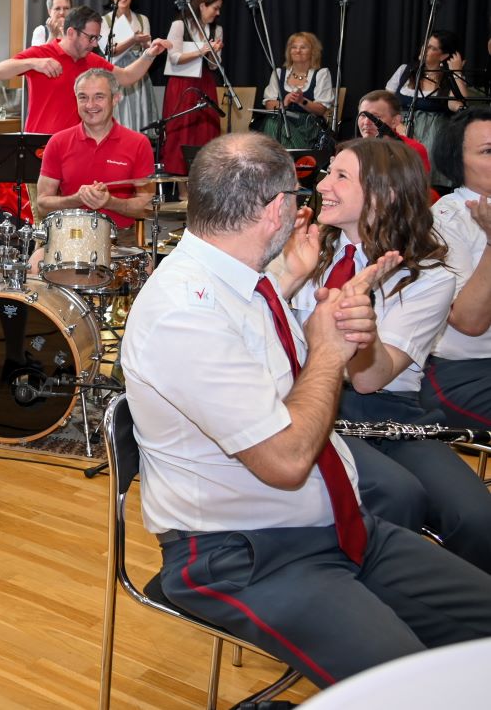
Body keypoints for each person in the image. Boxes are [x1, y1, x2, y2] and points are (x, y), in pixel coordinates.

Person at [122, 132, 491, 687]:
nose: (313, 200)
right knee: (416, 689)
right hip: (247, 552)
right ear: (276, 210)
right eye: (299, 195)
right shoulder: (186, 311)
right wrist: (327, 351)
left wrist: (294, 282)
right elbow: (287, 461)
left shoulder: (243, 283)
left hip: (335, 528)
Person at [292, 138, 491, 572]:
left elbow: (370, 380)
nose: (322, 185)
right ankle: (372, 595)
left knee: (478, 519)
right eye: (329, 172)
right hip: (310, 403)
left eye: (341, 176)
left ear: (385, 194)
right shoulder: (304, 249)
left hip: (390, 412)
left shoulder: (429, 276)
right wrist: (290, 278)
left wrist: (361, 328)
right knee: (399, 496)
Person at [0, 4, 170, 136]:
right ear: (71, 33)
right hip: (42, 144)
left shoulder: (92, 60)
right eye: (90, 38)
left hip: (78, 146)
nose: (94, 44)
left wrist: (150, 54)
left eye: (97, 38)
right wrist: (32, 63)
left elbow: (126, 76)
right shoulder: (41, 54)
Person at [422, 109, 491, 430]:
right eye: (488, 151)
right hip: (460, 370)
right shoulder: (443, 220)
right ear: (457, 162)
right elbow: (468, 322)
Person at [33, 68, 155, 246]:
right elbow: (43, 205)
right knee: (34, 262)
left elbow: (147, 207)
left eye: (99, 97)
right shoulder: (58, 142)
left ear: (115, 99)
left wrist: (110, 202)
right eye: (83, 97)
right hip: (68, 238)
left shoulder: (138, 143)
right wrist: (76, 199)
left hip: (120, 240)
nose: (90, 105)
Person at [386, 29, 467, 187]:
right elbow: (386, 101)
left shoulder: (449, 78)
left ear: (443, 56)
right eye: (425, 45)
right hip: (400, 126)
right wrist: (398, 125)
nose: (424, 49)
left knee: (427, 154)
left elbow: (459, 106)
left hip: (433, 133)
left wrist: (456, 73)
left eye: (431, 48)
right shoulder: (406, 70)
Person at [159, 0, 225, 176]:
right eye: (215, 8)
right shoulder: (180, 24)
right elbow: (174, 57)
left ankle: (205, 179)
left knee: (205, 131)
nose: (218, 13)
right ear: (203, 6)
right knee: (181, 132)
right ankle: (181, 183)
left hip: (205, 83)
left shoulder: (217, 30)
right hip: (181, 85)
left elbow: (213, 66)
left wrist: (213, 53)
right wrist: (202, 50)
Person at [260, 31, 335, 149]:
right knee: (273, 122)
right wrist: (284, 103)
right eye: (294, 47)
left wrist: (301, 101)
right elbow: (269, 104)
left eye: (303, 47)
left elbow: (321, 110)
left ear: (313, 51)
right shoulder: (279, 73)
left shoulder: (321, 74)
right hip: (282, 121)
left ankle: (282, 157)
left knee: (273, 124)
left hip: (308, 126)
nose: (297, 51)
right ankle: (290, 157)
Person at [101, 0, 158, 133]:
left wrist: (147, 44)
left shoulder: (142, 19)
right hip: (116, 72)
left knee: (140, 113)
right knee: (119, 112)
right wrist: (133, 40)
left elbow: (148, 48)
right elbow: (109, 50)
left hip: (138, 71)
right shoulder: (104, 21)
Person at [356, 89, 431, 176]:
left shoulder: (412, 150)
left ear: (395, 121)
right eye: (363, 115)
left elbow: (419, 183)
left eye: (375, 117)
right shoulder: (352, 150)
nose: (366, 122)